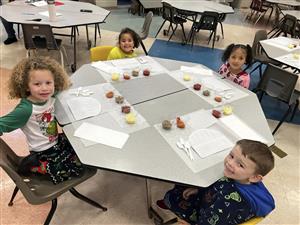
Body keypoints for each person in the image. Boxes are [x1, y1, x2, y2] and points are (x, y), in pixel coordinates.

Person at [0, 57, 83, 184]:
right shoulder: (25, 110)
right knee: (76, 165)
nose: (44, 88)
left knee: (80, 147)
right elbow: (2, 124)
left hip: (55, 143)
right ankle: (34, 167)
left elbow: (66, 87)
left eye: (48, 83)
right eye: (37, 84)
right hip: (42, 152)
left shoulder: (50, 97)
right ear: (26, 86)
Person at [156, 139, 275, 225]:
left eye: (240, 165)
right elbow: (221, 184)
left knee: (172, 197)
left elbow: (212, 220)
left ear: (255, 177)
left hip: (206, 215)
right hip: (211, 198)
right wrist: (200, 189)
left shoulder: (230, 202)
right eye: (231, 156)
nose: (230, 163)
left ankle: (168, 203)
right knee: (184, 184)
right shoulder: (244, 179)